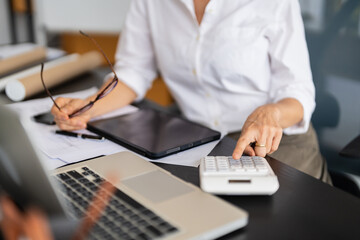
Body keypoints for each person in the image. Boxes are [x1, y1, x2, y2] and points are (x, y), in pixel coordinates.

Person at [51, 0, 331, 183]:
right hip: (198, 139)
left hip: (275, 143)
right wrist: (88, 107)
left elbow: (298, 90)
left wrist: (270, 113)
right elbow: (133, 72)